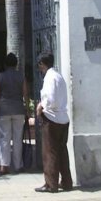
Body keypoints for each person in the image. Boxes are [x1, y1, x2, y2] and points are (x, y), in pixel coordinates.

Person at [35, 51, 72, 193]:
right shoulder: (59, 76)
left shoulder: (49, 78)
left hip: (51, 119)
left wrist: (40, 107)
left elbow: (50, 99)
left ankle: (51, 184)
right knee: (62, 150)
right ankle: (66, 182)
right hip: (63, 118)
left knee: (49, 152)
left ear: (41, 64)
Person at [0, 53, 28, 175]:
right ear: (16, 64)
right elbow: (25, 93)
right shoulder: (21, 76)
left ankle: (4, 165)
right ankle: (18, 165)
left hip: (3, 110)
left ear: (5, 64)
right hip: (18, 109)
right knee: (18, 138)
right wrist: (27, 108)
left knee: (4, 138)